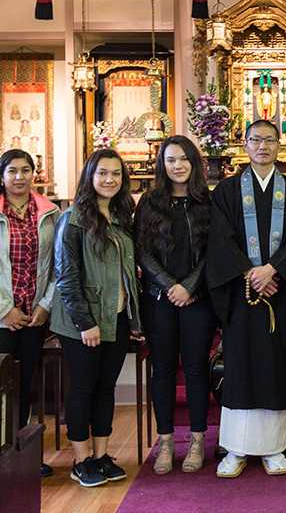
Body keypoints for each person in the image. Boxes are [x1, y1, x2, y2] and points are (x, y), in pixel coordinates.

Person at [207, 119, 286, 478]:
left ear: (279, 144)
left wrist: (274, 270)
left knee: (276, 365)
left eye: (270, 140)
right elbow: (220, 238)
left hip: (280, 293)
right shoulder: (225, 191)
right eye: (256, 140)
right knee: (240, 367)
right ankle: (236, 449)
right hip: (241, 295)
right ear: (245, 143)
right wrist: (250, 273)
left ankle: (273, 447)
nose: (263, 146)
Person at [51, 149, 143, 487]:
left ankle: (102, 455)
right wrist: (84, 322)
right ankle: (81, 459)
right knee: (83, 389)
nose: (110, 180)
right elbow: (66, 275)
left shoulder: (122, 218)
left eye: (116, 174)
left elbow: (127, 275)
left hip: (115, 318)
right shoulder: (73, 218)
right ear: (90, 176)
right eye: (103, 173)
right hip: (83, 323)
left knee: (106, 388)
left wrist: (133, 318)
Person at [134, 135, 216, 474]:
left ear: (194, 164)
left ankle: (197, 441)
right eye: (171, 160)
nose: (178, 165)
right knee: (163, 370)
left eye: (184, 159)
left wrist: (190, 286)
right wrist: (171, 286)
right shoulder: (149, 203)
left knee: (196, 370)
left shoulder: (209, 203)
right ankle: (166, 441)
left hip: (198, 301)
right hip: (159, 300)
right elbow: (141, 251)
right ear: (162, 165)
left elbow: (215, 253)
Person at [0, 148, 59, 478]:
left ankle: (20, 455)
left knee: (24, 385)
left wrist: (44, 306)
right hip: (2, 317)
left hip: (34, 315)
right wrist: (4, 310)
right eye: (12, 171)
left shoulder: (49, 213)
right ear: (2, 176)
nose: (19, 177)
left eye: (25, 170)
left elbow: (55, 267)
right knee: (0, 384)